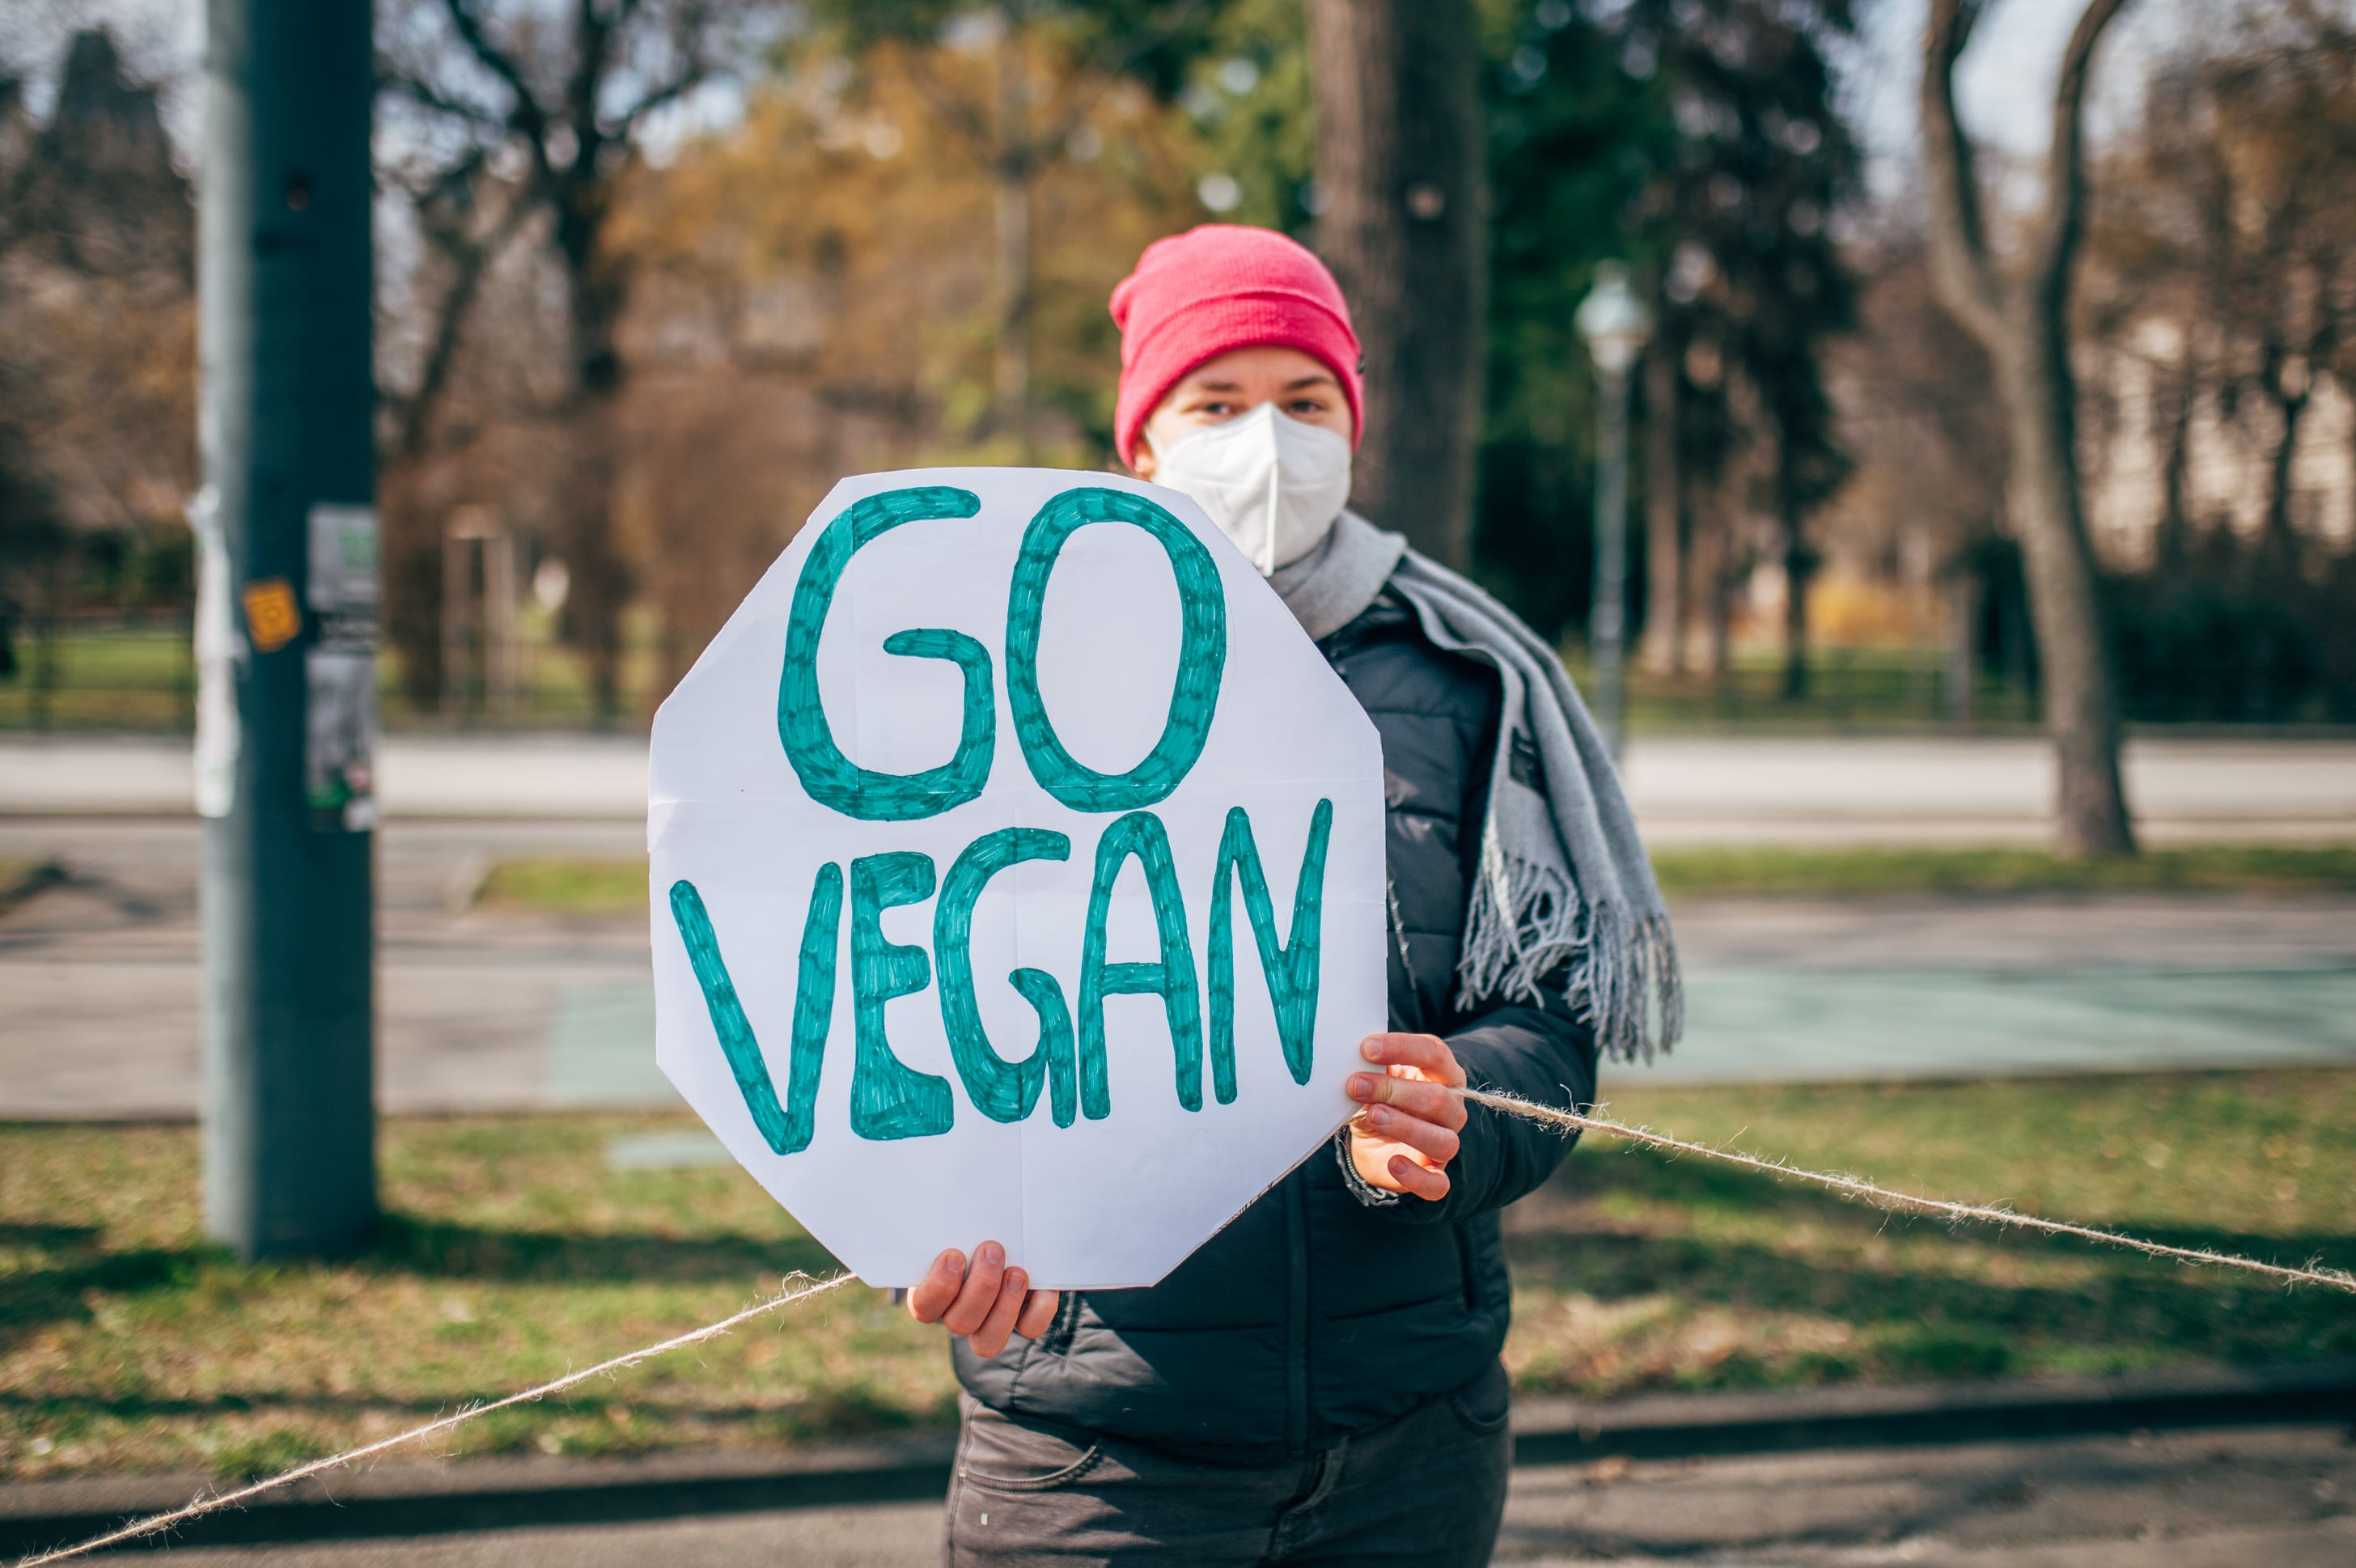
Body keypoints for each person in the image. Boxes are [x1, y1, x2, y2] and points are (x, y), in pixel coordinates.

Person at [909, 223, 1680, 1567]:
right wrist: (935, 1219)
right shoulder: (1008, 682)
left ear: (1351, 427)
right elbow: (917, 1008)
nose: (1266, 440)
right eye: (1216, 403)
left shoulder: (1464, 678)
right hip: (1093, 1460)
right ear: (1142, 441)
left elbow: (1549, 1029)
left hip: (1411, 1449)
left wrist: (1461, 1111)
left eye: (1303, 401)